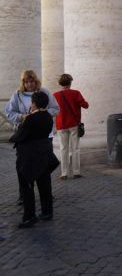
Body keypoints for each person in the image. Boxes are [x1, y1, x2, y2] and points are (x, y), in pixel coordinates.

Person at [5, 70, 59, 204]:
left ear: (36, 81)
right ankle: (24, 195)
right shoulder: (17, 95)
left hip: (43, 134)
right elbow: (9, 112)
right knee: (22, 166)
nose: (29, 84)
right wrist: (21, 116)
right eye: (26, 81)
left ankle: (46, 195)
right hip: (25, 135)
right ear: (23, 83)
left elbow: (55, 108)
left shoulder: (44, 92)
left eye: (32, 81)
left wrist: (41, 113)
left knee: (44, 165)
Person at [9, 91, 59, 228]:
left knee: (26, 186)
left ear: (34, 104)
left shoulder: (30, 119)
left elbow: (19, 136)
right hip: (44, 154)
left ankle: (29, 216)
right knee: (44, 184)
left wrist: (20, 127)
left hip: (29, 157)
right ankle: (47, 211)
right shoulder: (48, 117)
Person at [53, 74, 89, 180]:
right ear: (70, 82)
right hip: (73, 124)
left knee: (63, 149)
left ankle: (64, 173)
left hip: (61, 125)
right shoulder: (76, 93)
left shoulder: (55, 95)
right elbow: (86, 105)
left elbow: (52, 109)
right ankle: (76, 172)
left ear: (60, 83)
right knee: (75, 148)